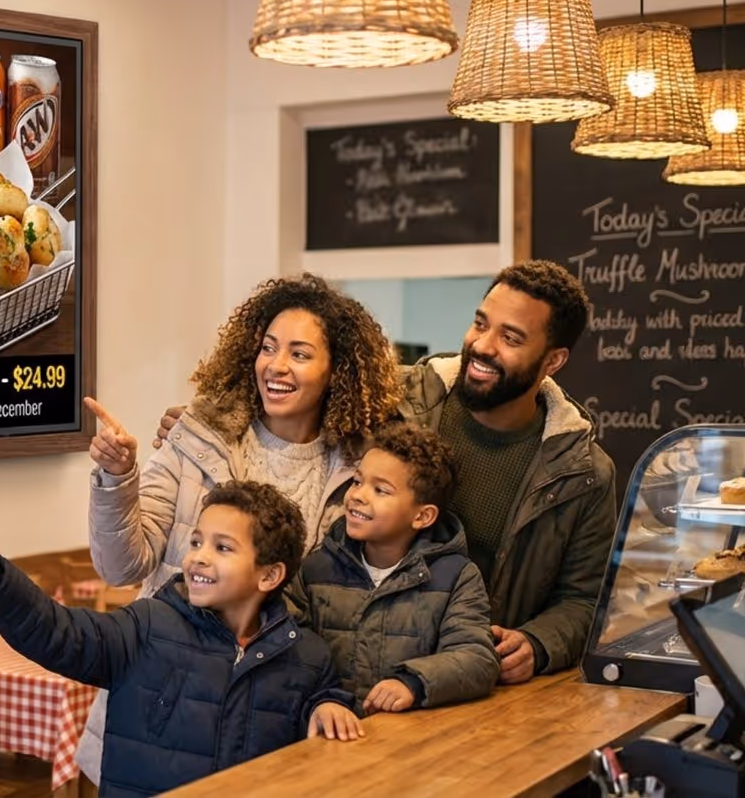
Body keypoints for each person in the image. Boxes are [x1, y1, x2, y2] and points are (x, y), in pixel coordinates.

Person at [157, 260, 616, 685]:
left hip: (480, 683)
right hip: (356, 673)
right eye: (480, 323)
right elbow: (292, 387)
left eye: (511, 338)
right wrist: (207, 423)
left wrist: (539, 644)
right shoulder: (394, 400)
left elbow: (584, 599)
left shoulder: (582, 472)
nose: (482, 345)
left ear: (553, 360)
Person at [80, 273, 400, 779]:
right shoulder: (197, 439)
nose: (276, 365)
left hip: (272, 718)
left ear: (336, 371)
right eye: (269, 348)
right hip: (165, 703)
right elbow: (122, 566)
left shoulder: (358, 474)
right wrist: (118, 478)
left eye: (299, 353)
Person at [0, 481, 361, 798]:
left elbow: (323, 698)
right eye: (196, 541)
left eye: (223, 548)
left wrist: (329, 703)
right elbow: (59, 633)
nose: (198, 556)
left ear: (269, 575)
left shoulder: (306, 655)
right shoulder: (147, 625)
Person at [291, 421, 499, 713]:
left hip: (405, 740)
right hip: (328, 734)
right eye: (357, 481)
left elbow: (476, 659)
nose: (358, 496)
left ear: (422, 516)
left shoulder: (456, 577)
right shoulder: (316, 569)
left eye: (381, 490)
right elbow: (294, 652)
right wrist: (322, 699)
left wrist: (413, 683)